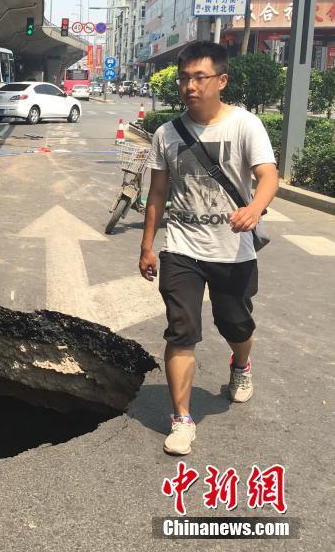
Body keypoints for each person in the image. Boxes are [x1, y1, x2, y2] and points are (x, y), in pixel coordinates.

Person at [139, 41, 278, 456]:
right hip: (181, 247)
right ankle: (182, 419)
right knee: (181, 330)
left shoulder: (244, 125)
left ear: (221, 80)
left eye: (199, 77)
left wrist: (255, 207)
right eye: (184, 78)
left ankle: (240, 365)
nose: (190, 86)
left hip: (233, 250)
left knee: (235, 324)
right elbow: (157, 194)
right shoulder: (167, 133)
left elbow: (268, 175)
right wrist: (148, 246)